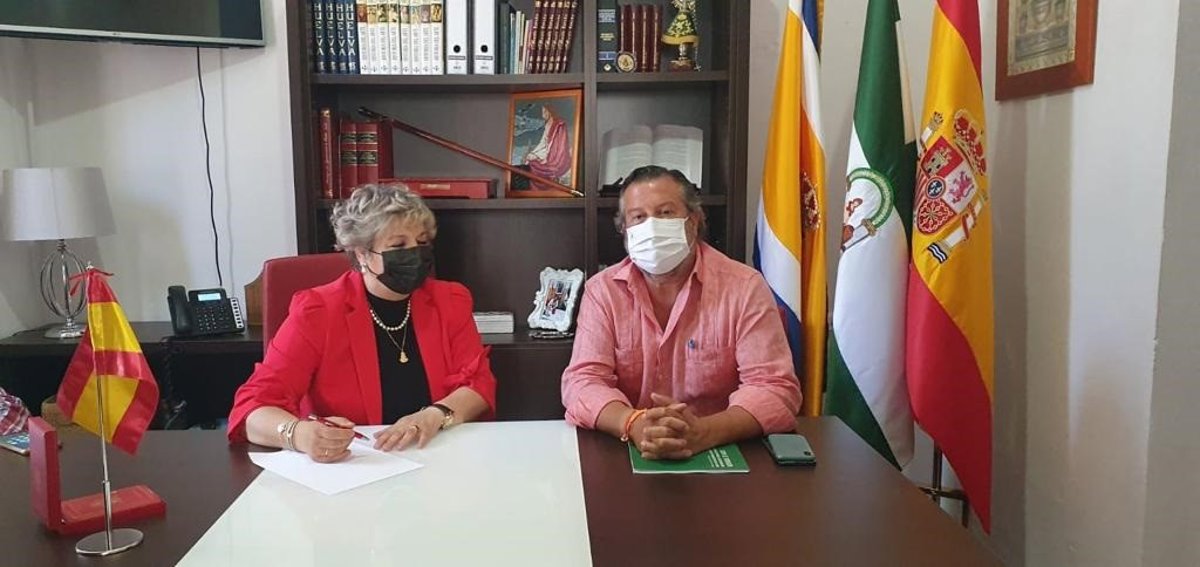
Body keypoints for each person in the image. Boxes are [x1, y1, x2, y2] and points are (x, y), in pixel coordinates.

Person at [228, 184, 496, 462]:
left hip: (436, 455)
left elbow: (479, 384)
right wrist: (298, 434)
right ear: (361, 254)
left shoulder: (450, 301)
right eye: (398, 246)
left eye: (422, 242)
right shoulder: (317, 312)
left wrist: (435, 415)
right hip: (356, 462)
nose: (415, 254)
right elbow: (252, 407)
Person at [561, 166, 801, 460]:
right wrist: (633, 423)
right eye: (638, 217)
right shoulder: (602, 291)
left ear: (694, 221)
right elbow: (583, 382)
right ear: (625, 231)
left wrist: (705, 431)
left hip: (721, 447)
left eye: (665, 213)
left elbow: (774, 388)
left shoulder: (745, 287)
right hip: (628, 451)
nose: (651, 227)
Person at [515, 105, 572, 191]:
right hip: (546, 150)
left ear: (550, 111)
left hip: (555, 154)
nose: (543, 115)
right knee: (529, 158)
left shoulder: (559, 125)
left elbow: (556, 144)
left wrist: (542, 157)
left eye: (545, 112)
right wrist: (534, 153)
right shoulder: (547, 125)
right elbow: (543, 142)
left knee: (533, 163)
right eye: (542, 112)